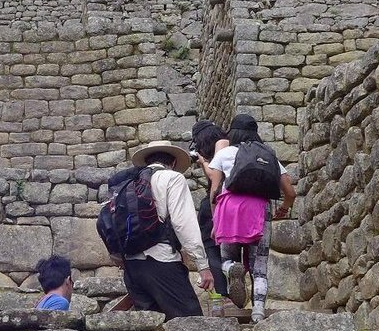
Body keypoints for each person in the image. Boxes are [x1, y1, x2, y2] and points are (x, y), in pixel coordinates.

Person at [200, 114, 296, 320]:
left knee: (226, 258)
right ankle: (258, 312)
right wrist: (284, 208)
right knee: (259, 266)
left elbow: (215, 190)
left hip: (230, 209)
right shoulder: (268, 154)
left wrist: (216, 222)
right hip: (259, 210)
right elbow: (290, 191)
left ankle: (232, 268)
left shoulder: (224, 153)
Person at [119, 140, 213, 318]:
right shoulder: (172, 178)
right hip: (161, 261)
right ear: (174, 162)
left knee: (150, 329)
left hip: (131, 267)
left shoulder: (129, 182)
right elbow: (183, 223)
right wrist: (203, 265)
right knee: (191, 323)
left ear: (147, 160)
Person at [190, 120, 230, 303]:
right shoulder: (234, 147)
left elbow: (215, 177)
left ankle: (222, 294)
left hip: (216, 202)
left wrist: (203, 161)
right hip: (237, 204)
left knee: (211, 247)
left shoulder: (218, 150)